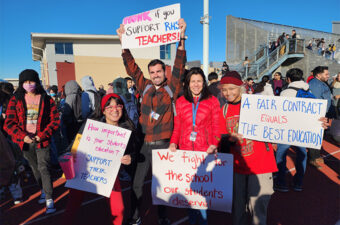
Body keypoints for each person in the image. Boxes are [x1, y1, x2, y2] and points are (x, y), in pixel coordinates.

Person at [116, 18, 187, 225]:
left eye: (159, 71)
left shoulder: (171, 87)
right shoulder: (144, 86)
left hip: (164, 145)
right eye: (152, 72)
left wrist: (181, 37)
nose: (156, 75)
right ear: (149, 74)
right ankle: (135, 216)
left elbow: (179, 65)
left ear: (164, 72)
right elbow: (131, 67)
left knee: (162, 184)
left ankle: (163, 217)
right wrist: (123, 42)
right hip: (144, 144)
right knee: (137, 184)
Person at [62, 93, 139, 225]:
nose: (114, 110)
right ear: (103, 110)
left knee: (118, 209)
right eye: (109, 107)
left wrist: (131, 157)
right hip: (83, 169)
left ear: (123, 107)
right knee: (73, 203)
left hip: (109, 173)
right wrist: (68, 153)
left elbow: (136, 150)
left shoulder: (128, 126)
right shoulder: (92, 124)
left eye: (118, 105)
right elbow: (76, 141)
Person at [218, 71, 278, 225]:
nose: (227, 93)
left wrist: (315, 123)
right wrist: (229, 139)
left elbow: (282, 122)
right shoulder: (224, 110)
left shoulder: (257, 104)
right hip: (238, 167)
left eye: (231, 88)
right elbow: (221, 138)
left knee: (258, 209)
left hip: (261, 166)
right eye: (224, 89)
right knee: (238, 208)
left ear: (241, 86)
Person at [3, 69, 60, 214]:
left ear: (37, 82)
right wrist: (22, 136)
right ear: (22, 83)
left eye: (32, 81)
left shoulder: (46, 99)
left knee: (44, 167)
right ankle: (42, 189)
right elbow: (9, 123)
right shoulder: (15, 100)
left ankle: (49, 197)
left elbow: (55, 120)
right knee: (35, 168)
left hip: (42, 140)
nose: (29, 84)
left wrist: (43, 134)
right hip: (25, 142)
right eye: (26, 82)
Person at [168, 67, 220, 225]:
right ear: (187, 83)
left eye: (199, 81)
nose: (196, 85)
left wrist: (214, 144)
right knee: (190, 195)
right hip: (186, 155)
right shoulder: (180, 101)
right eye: (193, 81)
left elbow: (217, 128)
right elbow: (177, 127)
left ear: (204, 83)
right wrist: (173, 142)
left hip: (205, 153)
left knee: (202, 197)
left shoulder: (212, 100)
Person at [274, 68, 309, 192]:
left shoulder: (286, 92)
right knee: (302, 154)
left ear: (288, 79)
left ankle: (281, 182)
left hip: (287, 127)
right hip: (303, 127)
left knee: (281, 154)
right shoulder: (308, 89)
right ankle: (298, 183)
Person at [308, 66, 332, 167]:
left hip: (321, 114)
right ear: (318, 75)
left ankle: (315, 156)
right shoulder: (315, 85)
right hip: (317, 115)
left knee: (318, 135)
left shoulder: (319, 83)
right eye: (326, 74)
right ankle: (313, 157)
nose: (328, 76)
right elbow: (316, 102)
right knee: (315, 136)